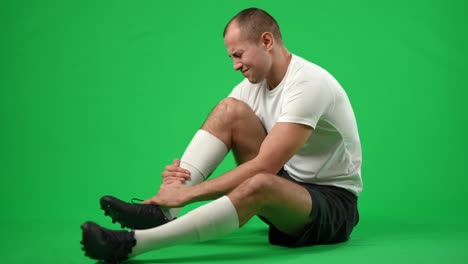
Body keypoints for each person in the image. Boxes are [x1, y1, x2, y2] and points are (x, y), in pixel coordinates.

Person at [81, 7, 362, 263]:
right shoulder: (251, 87)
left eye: (238, 55)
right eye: (231, 57)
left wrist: (186, 195)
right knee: (229, 109)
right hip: (287, 186)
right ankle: (162, 213)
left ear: (266, 41)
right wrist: (173, 184)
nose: (235, 66)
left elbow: (265, 166)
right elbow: (224, 129)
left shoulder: (309, 83)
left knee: (261, 181)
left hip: (331, 206)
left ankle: (132, 244)